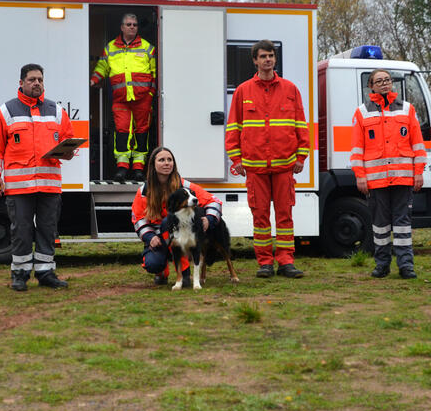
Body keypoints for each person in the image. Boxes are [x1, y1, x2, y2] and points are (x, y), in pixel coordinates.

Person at [0, 63, 74, 291]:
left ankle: (46, 273)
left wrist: (69, 151)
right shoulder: (6, 111)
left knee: (47, 230)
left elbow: (69, 142)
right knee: (21, 232)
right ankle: (20, 274)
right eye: (32, 79)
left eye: (40, 80)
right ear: (21, 83)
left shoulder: (57, 111)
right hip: (19, 187)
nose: (37, 83)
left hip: (49, 185)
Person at [225, 40, 309, 279]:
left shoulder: (290, 89)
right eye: (263, 56)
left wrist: (301, 155)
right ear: (255, 60)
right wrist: (236, 158)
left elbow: (300, 124)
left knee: (285, 216)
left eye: (271, 55)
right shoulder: (243, 91)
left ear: (275, 59)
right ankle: (265, 263)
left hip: (284, 165)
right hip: (254, 167)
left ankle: (286, 262)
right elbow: (233, 128)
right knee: (260, 217)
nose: (267, 60)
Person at [350, 69, 426, 279]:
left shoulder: (407, 110)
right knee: (380, 224)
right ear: (371, 86)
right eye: (379, 81)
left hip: (403, 177)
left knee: (403, 224)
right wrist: (360, 175)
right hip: (375, 180)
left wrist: (418, 173)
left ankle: (406, 265)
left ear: (392, 83)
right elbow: (357, 149)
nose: (384, 84)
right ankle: (382, 264)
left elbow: (418, 144)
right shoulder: (362, 112)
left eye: (387, 80)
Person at [131, 146, 223, 286]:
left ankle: (185, 273)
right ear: (153, 165)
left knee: (168, 221)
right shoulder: (143, 191)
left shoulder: (184, 185)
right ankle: (161, 271)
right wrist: (150, 237)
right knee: (152, 264)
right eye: (161, 160)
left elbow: (214, 201)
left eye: (170, 160)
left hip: (182, 235)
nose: (167, 163)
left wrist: (209, 219)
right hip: (158, 237)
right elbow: (138, 219)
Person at [90, 13, 156, 182]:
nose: (132, 27)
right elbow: (102, 67)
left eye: (134, 24)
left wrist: (151, 94)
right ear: (121, 27)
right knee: (122, 132)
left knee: (141, 132)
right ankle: (122, 167)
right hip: (121, 100)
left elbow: (156, 73)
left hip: (143, 98)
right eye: (128, 24)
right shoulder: (110, 48)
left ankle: (139, 168)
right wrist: (93, 80)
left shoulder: (148, 47)